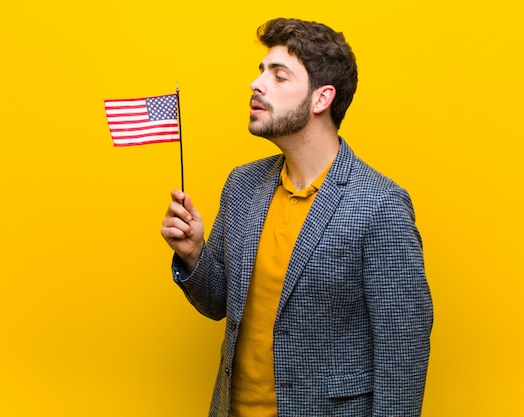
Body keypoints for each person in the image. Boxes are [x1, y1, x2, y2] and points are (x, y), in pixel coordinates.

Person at [161, 17, 433, 417]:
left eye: (279, 76)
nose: (257, 85)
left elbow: (403, 352)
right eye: (261, 72)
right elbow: (220, 304)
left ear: (321, 99)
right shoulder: (242, 185)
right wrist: (194, 254)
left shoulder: (380, 205)